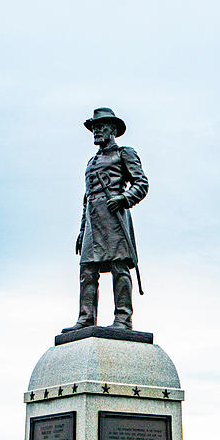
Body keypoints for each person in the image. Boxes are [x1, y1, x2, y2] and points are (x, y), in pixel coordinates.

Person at [62, 107, 148, 332]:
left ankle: (123, 319)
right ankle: (86, 318)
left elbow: (141, 184)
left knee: (119, 267)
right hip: (93, 218)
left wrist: (123, 198)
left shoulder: (124, 153)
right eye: (94, 128)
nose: (96, 131)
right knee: (87, 270)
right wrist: (82, 230)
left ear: (113, 130)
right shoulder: (91, 161)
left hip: (114, 215)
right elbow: (86, 198)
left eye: (101, 127)